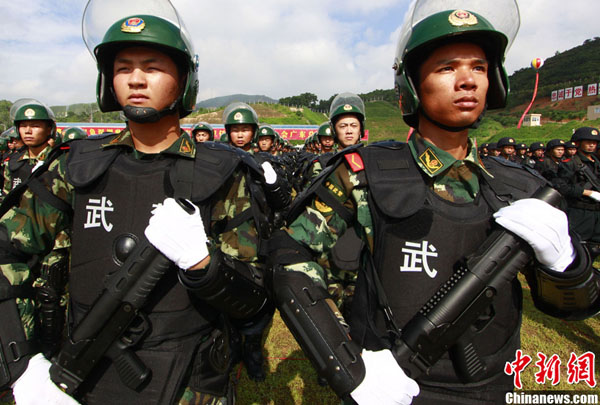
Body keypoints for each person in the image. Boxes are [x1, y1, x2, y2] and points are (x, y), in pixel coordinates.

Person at [269, 2, 600, 404]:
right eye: (447, 68)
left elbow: (573, 306)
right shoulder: (363, 172)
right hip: (391, 383)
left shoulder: (519, 185)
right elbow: (289, 258)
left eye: (478, 67)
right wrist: (349, 367)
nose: (467, 81)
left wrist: (566, 267)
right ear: (412, 84)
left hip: (495, 387)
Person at [0, 1, 275, 403]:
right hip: (80, 371)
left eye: (153, 66)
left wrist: (205, 265)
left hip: (187, 380)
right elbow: (9, 252)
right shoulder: (74, 165)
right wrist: (20, 364)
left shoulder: (224, 173)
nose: (136, 79)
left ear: (183, 81)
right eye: (123, 68)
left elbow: (256, 297)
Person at [553, 127, 600, 253]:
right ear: (578, 143)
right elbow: (560, 186)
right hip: (579, 212)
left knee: (595, 248)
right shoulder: (570, 163)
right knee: (576, 249)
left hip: (597, 212)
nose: (591, 145)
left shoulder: (596, 162)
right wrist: (587, 192)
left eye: (594, 142)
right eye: (588, 142)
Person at [2, 99, 57, 201]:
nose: (28, 131)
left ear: (49, 129)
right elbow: (7, 198)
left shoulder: (59, 161)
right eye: (23, 126)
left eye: (35, 126)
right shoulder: (14, 162)